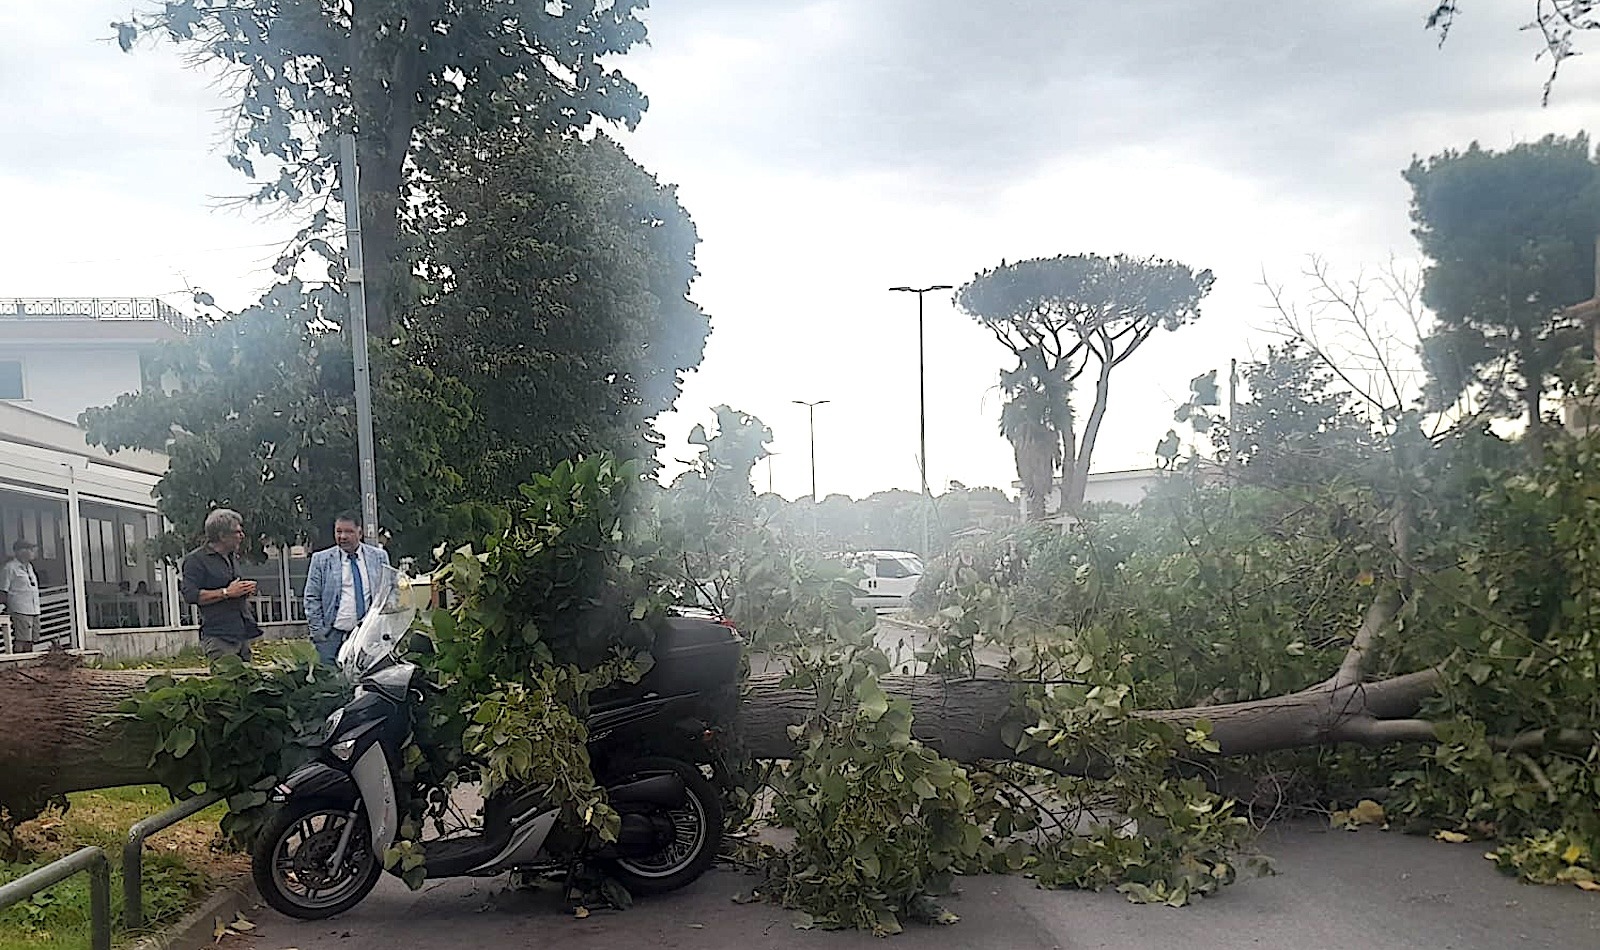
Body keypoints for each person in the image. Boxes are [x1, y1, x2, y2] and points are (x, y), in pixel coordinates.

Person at [303, 510, 392, 665]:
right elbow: (312, 597)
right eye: (339, 531)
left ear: (360, 532)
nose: (343, 536)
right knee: (331, 683)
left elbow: (389, 592)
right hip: (331, 637)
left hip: (368, 636)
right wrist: (318, 632)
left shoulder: (379, 557)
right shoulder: (321, 560)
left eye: (348, 532)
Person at [180, 508, 261, 661]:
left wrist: (243, 591)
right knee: (224, 683)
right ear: (222, 536)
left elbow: (233, 591)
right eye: (237, 532)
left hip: (242, 634)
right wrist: (226, 593)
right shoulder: (195, 560)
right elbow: (191, 596)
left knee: (248, 683)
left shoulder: (231, 557)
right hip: (219, 637)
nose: (242, 536)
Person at [3, 540, 41, 653]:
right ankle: (18, 662)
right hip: (20, 609)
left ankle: (28, 663)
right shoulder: (10, 568)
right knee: (21, 639)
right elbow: (3, 589)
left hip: (34, 608)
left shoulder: (30, 567)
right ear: (20, 551)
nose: (32, 552)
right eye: (29, 549)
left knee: (32, 639)